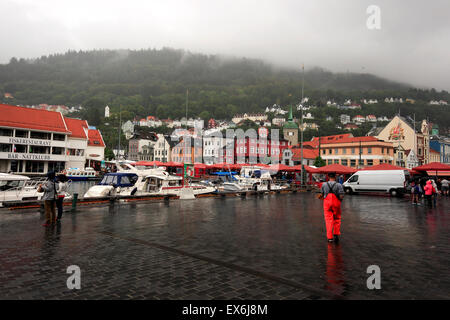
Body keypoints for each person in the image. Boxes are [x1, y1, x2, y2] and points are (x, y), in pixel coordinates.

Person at [320, 172, 345, 243]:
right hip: (336, 204)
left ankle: (330, 238)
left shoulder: (324, 184)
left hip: (327, 204)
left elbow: (321, 194)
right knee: (337, 219)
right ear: (335, 177)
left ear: (328, 177)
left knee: (328, 220)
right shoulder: (339, 185)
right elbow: (341, 196)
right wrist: (339, 201)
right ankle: (336, 234)